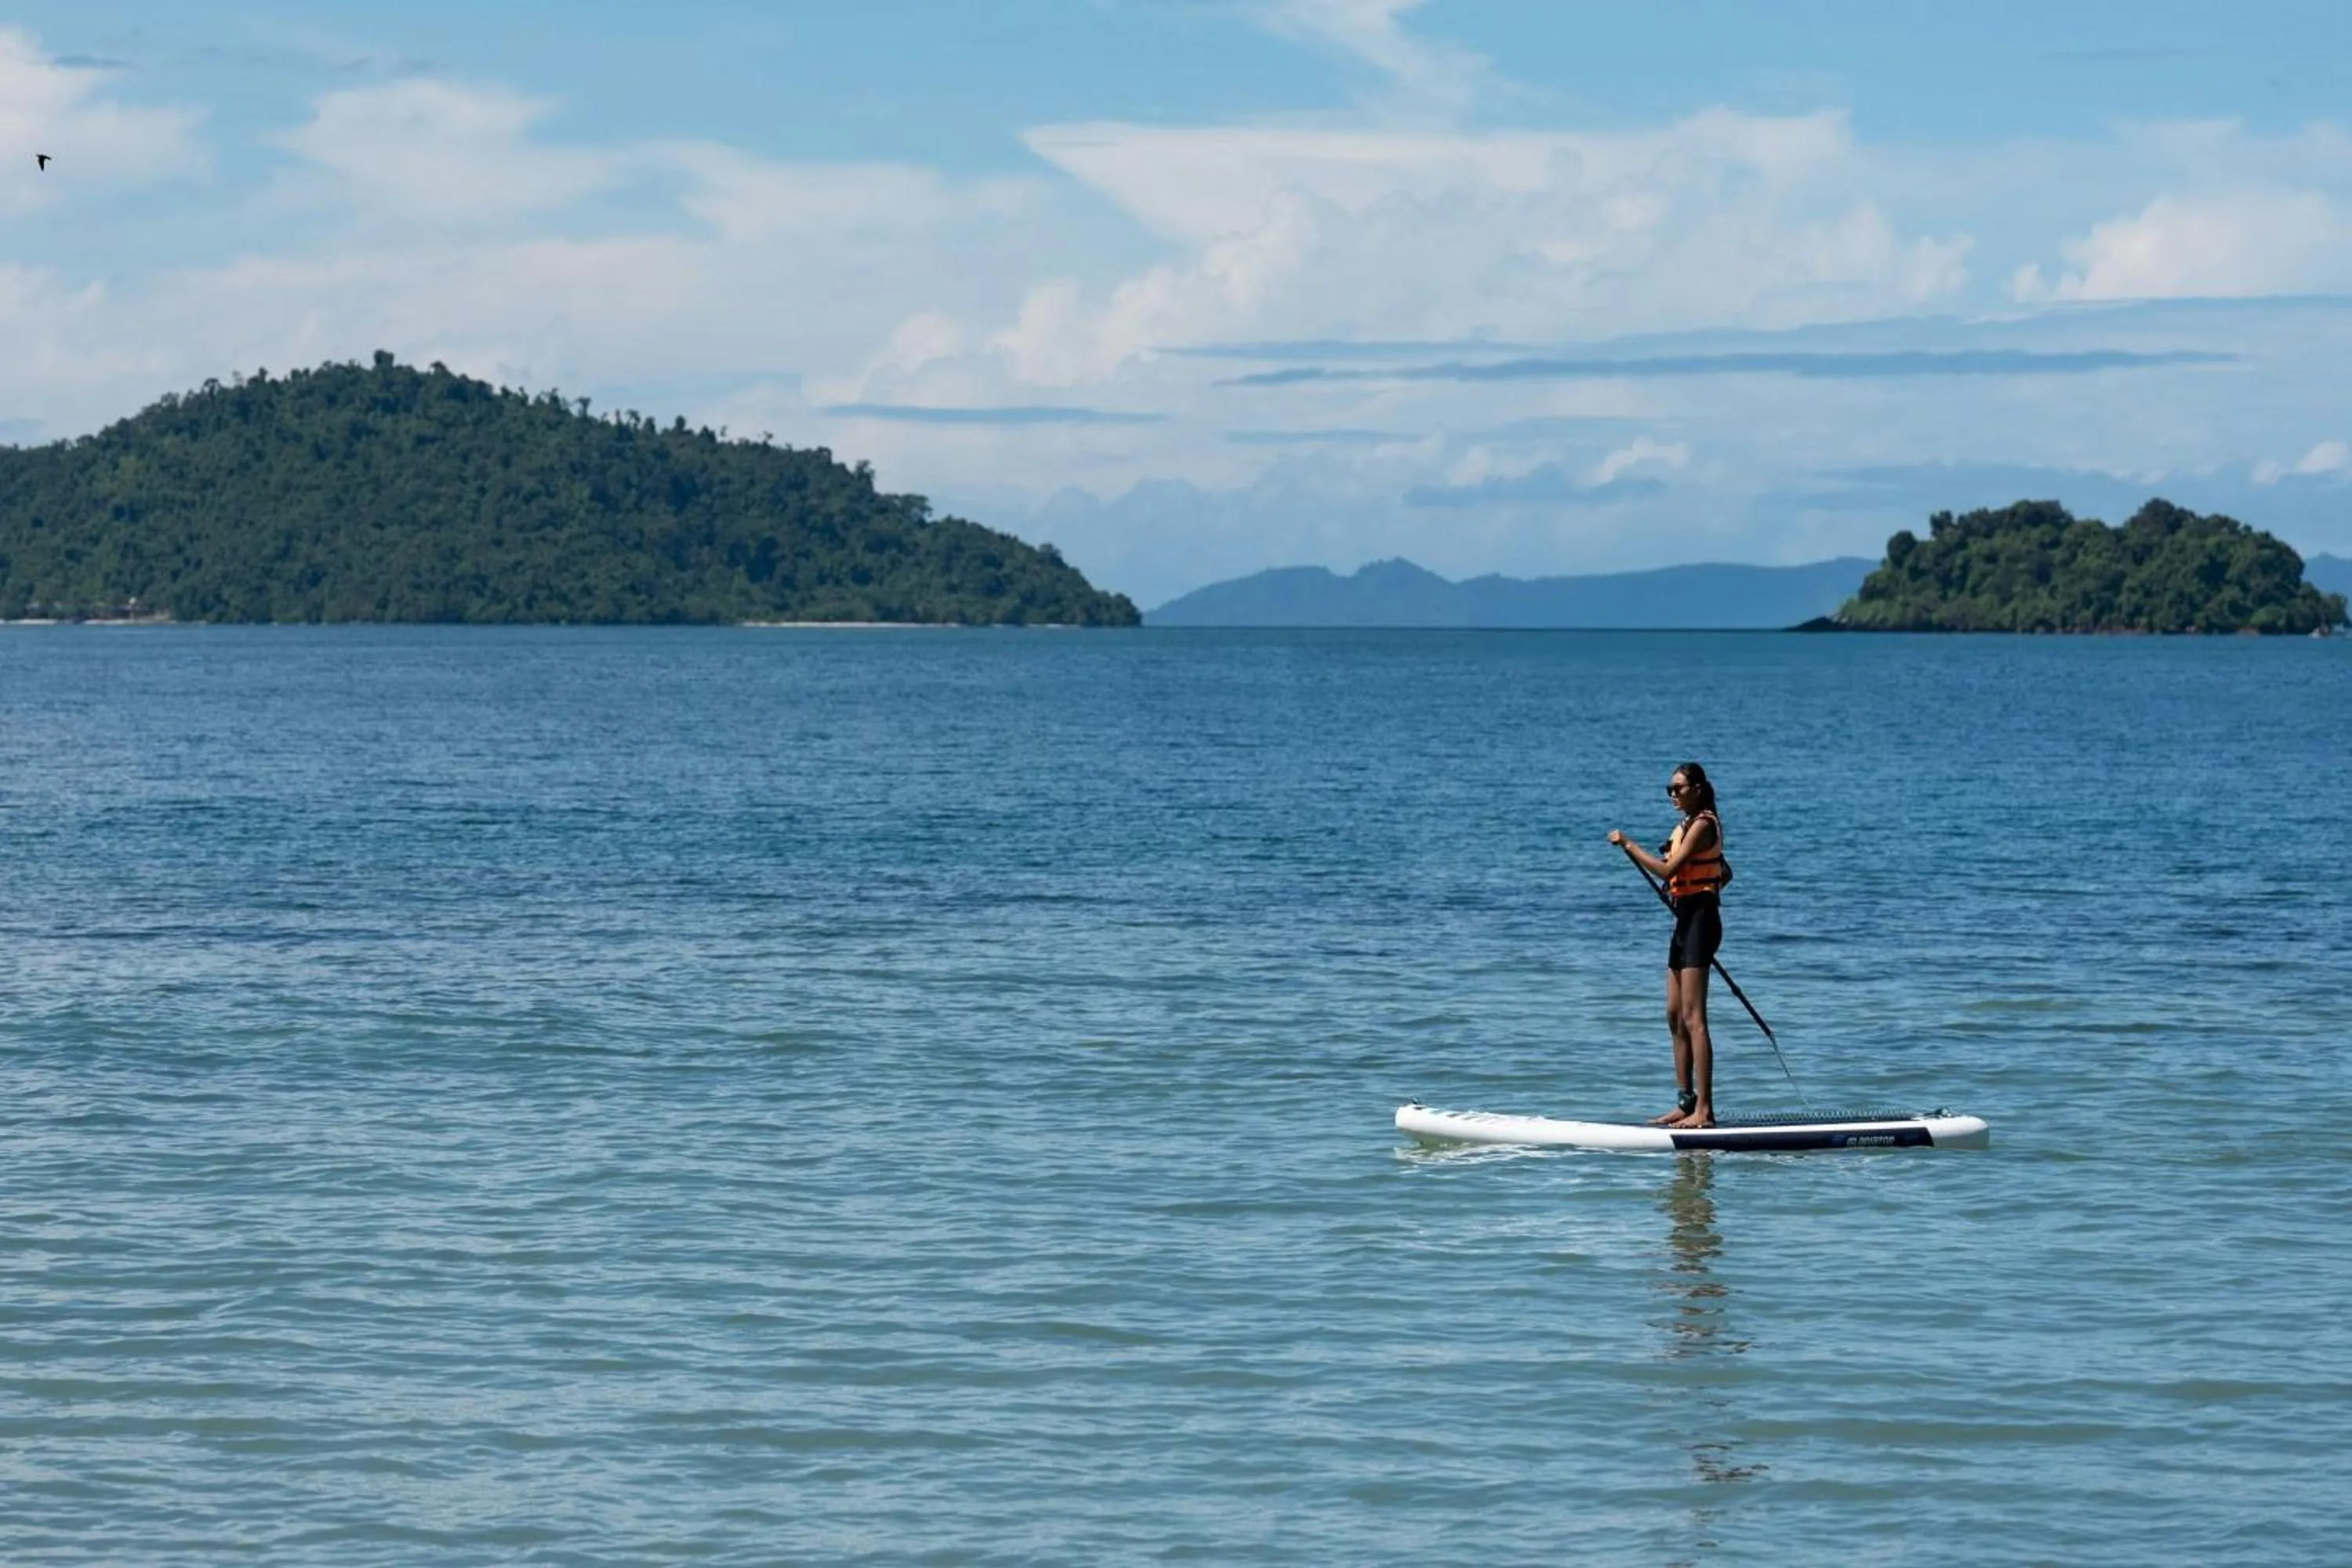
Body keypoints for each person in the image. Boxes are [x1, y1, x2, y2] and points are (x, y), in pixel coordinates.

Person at [1607, 763, 1727, 1129]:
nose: (1672, 795)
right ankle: (1685, 1102)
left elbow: (1667, 871)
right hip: (1685, 919)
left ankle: (1704, 1112)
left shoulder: (1704, 824)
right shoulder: (1686, 826)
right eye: (1669, 790)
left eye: (1678, 788)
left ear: (1698, 788)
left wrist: (1628, 845)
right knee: (1674, 1016)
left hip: (1701, 922)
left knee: (1695, 1020)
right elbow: (1722, 870)